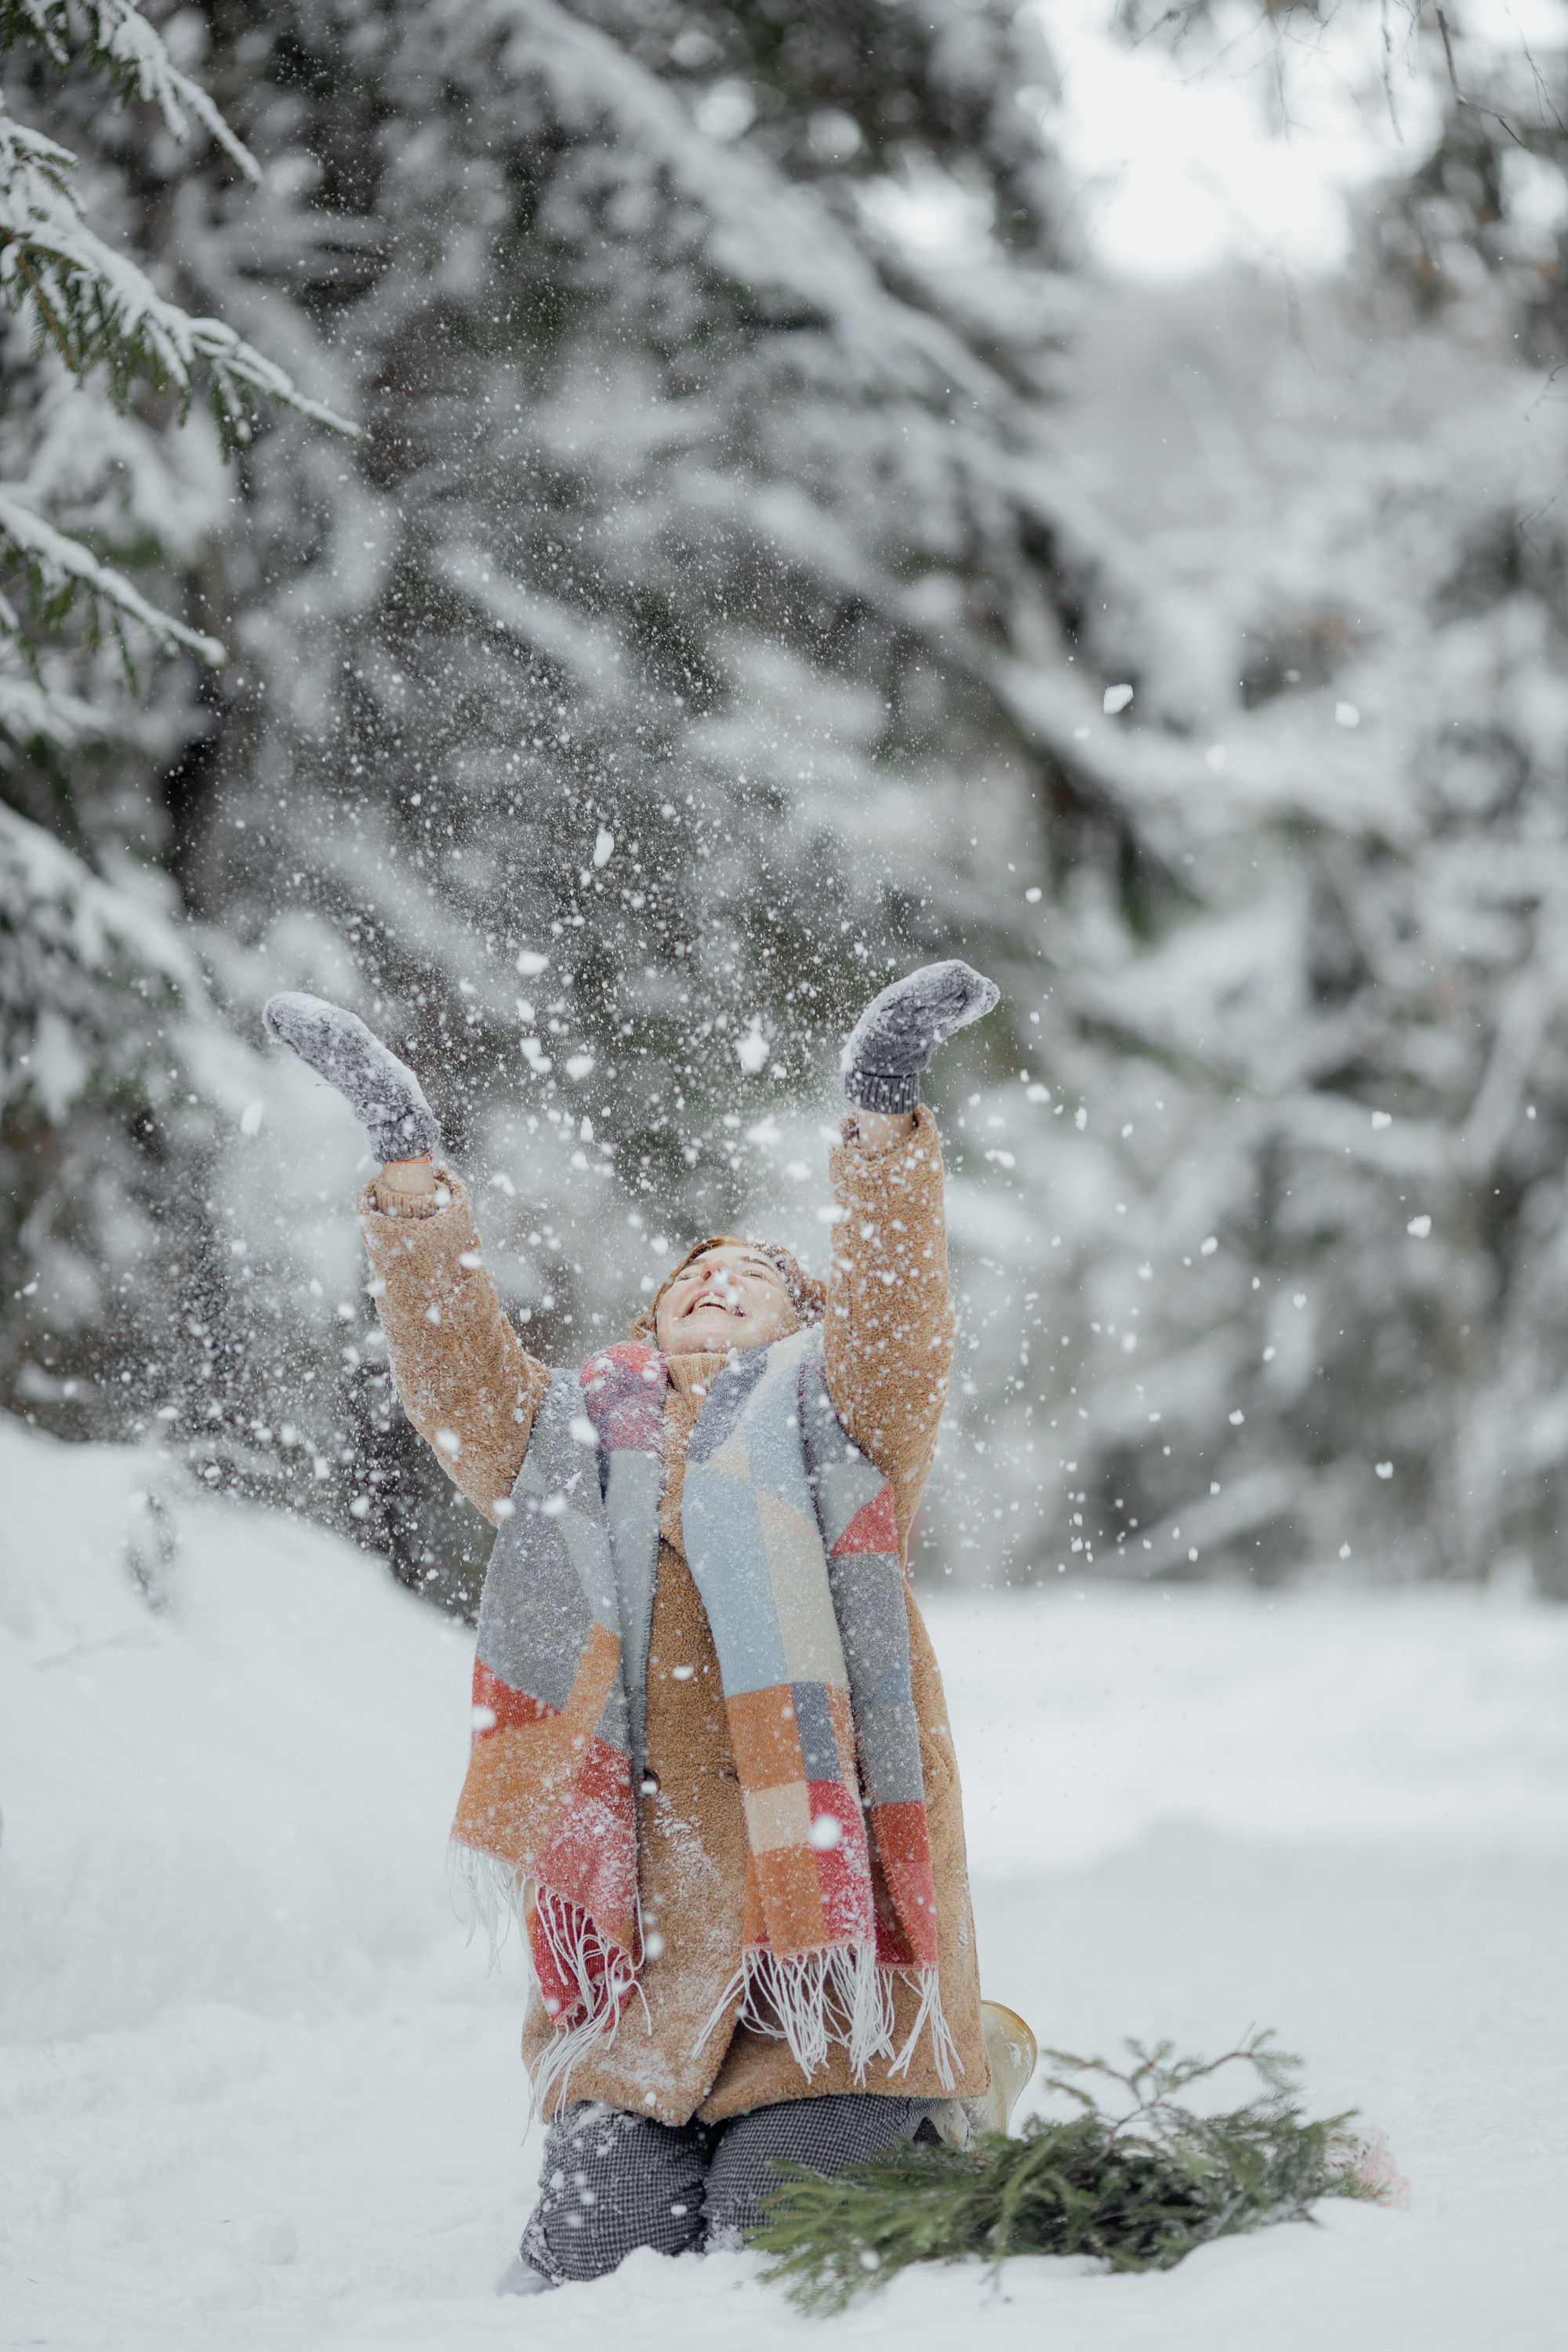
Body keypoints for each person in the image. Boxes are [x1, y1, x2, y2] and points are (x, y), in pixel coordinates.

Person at [263, 960, 1029, 2286]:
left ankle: (944, 2091)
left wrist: (883, 1116)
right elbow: (456, 1365)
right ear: (651, 1316)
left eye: (757, 1276)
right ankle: (677, 2133)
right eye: (697, 1272)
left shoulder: (846, 1430)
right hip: (645, 1987)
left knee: (788, 2231)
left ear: (807, 1323)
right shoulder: (567, 1449)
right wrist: (406, 1171)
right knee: (592, 2244)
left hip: (834, 1984)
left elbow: (900, 1318)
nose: (719, 1280)